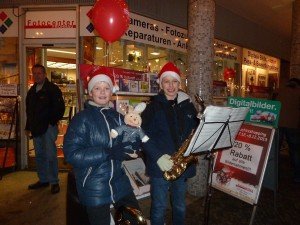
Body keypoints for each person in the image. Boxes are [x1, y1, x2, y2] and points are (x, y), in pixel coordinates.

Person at [63, 72, 143, 225]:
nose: (102, 92)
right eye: (97, 88)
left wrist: (135, 140)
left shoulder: (119, 116)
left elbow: (127, 146)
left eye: (106, 88)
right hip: (94, 185)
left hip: (120, 182)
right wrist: (107, 152)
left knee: (136, 219)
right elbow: (71, 155)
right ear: (90, 92)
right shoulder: (81, 119)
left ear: (111, 92)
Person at [141, 62, 199, 225]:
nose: (171, 86)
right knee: (159, 207)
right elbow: (143, 136)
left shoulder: (188, 106)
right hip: (159, 166)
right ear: (161, 84)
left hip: (180, 165)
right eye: (166, 81)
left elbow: (195, 132)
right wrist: (158, 157)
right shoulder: (151, 108)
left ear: (179, 84)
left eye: (174, 81)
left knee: (180, 205)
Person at [25, 64, 65, 194]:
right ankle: (43, 180)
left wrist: (51, 123)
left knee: (50, 155)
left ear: (45, 74)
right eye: (34, 73)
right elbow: (29, 111)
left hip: (48, 128)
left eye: (39, 73)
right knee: (40, 155)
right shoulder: (32, 91)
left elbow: (60, 108)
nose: (37, 76)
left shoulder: (52, 89)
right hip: (36, 128)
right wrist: (28, 127)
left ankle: (54, 182)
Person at [277, 77, 300, 183]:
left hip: (279, 123)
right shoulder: (298, 92)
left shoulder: (280, 90)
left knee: (276, 150)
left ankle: (275, 174)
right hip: (293, 125)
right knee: (295, 151)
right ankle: (297, 176)